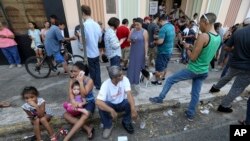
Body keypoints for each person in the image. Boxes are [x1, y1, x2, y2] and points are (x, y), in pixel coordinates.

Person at [149, 13, 221, 121]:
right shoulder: (218, 37)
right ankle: (190, 114)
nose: (199, 26)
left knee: (169, 80)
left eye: (200, 23)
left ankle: (160, 98)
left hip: (193, 69)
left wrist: (186, 48)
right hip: (204, 70)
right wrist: (191, 46)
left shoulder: (203, 36)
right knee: (195, 93)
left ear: (206, 22)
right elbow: (207, 52)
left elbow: (192, 57)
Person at [213, 17, 250, 113]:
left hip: (235, 63)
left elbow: (226, 48)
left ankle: (215, 88)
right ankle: (223, 106)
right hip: (247, 68)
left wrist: (236, 49)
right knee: (237, 88)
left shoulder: (238, 32)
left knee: (227, 77)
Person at [96, 66, 138, 139]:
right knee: (101, 106)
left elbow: (129, 94)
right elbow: (98, 101)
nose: (123, 76)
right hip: (111, 105)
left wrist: (133, 110)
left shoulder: (125, 80)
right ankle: (108, 125)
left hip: (121, 103)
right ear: (114, 78)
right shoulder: (105, 84)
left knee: (129, 102)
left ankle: (126, 122)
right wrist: (111, 110)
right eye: (120, 75)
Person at [63, 62, 95, 140]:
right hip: (77, 102)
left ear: (82, 72)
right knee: (65, 115)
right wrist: (73, 102)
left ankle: (66, 138)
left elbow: (84, 95)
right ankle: (88, 128)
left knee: (84, 116)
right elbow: (70, 93)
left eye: (75, 71)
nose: (73, 73)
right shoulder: (72, 80)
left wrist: (80, 82)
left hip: (88, 102)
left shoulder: (89, 81)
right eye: (72, 71)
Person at [81, 5, 102, 90]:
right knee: (97, 69)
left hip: (89, 52)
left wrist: (79, 36)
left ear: (83, 13)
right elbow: (100, 39)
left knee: (92, 70)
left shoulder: (84, 25)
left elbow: (83, 41)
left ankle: (92, 85)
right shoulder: (97, 24)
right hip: (96, 51)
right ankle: (98, 85)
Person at [151, 15, 175, 85]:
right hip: (169, 50)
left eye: (159, 22)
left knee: (159, 68)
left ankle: (158, 81)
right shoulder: (172, 26)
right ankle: (163, 77)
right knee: (165, 66)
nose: (159, 23)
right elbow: (169, 37)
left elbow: (160, 42)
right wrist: (159, 36)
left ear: (161, 21)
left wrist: (155, 41)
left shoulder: (163, 29)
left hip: (163, 51)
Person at [127, 17, 148, 87]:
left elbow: (146, 43)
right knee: (132, 65)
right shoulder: (132, 30)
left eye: (138, 25)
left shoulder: (144, 32)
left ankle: (137, 80)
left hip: (140, 51)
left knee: (138, 65)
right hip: (133, 51)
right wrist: (132, 40)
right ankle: (130, 80)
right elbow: (128, 39)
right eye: (135, 24)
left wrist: (146, 54)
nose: (136, 26)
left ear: (141, 24)